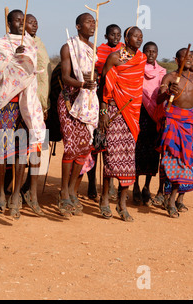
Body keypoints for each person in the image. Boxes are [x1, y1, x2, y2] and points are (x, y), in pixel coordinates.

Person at [0, 9, 47, 220]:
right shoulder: (0, 45)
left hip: (28, 103)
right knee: (2, 150)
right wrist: (15, 57)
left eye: (23, 21)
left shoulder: (31, 44)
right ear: (8, 23)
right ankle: (0, 194)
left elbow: (34, 73)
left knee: (23, 150)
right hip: (8, 102)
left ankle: (16, 196)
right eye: (16, 21)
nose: (20, 25)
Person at [99, 26, 147, 222]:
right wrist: (103, 113)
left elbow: (138, 86)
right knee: (111, 157)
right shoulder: (115, 57)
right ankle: (103, 199)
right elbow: (105, 84)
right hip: (114, 111)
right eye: (135, 36)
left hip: (133, 114)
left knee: (128, 161)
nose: (139, 39)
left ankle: (122, 203)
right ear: (126, 38)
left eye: (141, 36)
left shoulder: (142, 59)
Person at [56, 13, 99, 217]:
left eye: (94, 22)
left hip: (88, 103)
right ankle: (63, 192)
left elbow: (93, 75)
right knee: (71, 147)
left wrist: (92, 80)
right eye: (88, 22)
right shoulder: (69, 47)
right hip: (70, 102)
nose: (92, 26)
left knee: (83, 148)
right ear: (78, 26)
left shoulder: (93, 48)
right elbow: (65, 77)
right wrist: (82, 83)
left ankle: (73, 191)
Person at [156, 48, 193, 218]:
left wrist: (192, 120)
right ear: (177, 60)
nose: (189, 60)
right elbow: (158, 98)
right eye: (185, 57)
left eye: (191, 57)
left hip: (187, 124)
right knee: (170, 160)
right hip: (172, 121)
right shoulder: (170, 77)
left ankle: (172, 199)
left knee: (183, 161)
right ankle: (167, 197)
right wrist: (168, 92)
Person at [20, 13, 52, 216]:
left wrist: (45, 103)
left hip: (39, 104)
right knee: (18, 150)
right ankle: (12, 192)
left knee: (37, 149)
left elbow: (44, 74)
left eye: (36, 22)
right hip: (20, 102)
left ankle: (31, 192)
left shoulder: (38, 43)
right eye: (30, 22)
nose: (35, 25)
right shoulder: (17, 44)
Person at [88, 24, 124, 201]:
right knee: (96, 144)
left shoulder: (124, 51)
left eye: (118, 34)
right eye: (112, 34)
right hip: (99, 97)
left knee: (112, 146)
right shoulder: (99, 50)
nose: (116, 37)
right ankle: (92, 183)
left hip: (119, 100)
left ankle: (110, 185)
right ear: (106, 35)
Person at [133, 41, 167, 207]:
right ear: (143, 53)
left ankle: (147, 186)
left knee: (153, 153)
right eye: (147, 51)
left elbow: (163, 95)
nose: (151, 54)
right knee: (136, 151)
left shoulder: (162, 73)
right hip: (139, 115)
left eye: (154, 51)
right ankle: (135, 185)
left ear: (157, 54)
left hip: (155, 118)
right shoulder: (137, 69)